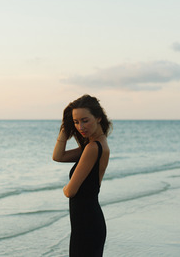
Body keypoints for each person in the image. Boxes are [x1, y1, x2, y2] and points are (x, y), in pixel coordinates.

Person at [52, 94, 111, 256]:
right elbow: (58, 156)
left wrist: (64, 188)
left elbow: (71, 191)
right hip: (86, 222)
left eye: (85, 120)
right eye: (76, 122)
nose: (80, 127)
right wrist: (65, 130)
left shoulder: (93, 148)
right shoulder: (95, 145)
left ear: (98, 117)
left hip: (87, 224)